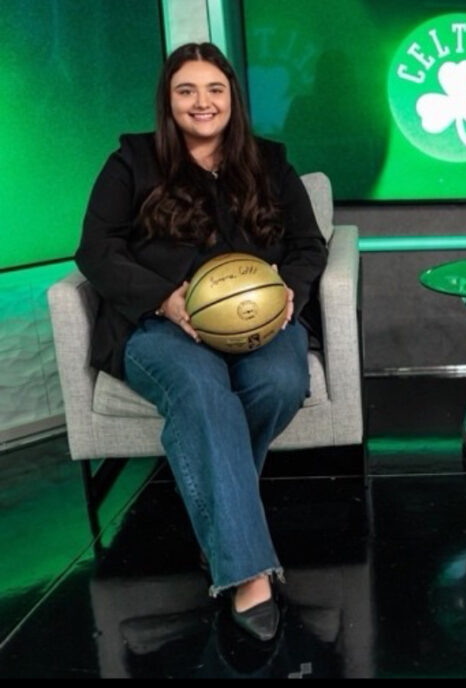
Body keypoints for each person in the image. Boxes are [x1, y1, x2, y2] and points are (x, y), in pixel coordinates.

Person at [75, 42, 328, 642]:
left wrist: (286, 291)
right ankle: (248, 574)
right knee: (200, 388)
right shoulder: (132, 160)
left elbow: (309, 245)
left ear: (232, 98)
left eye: (214, 89)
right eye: (186, 90)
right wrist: (164, 298)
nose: (201, 102)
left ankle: (222, 526)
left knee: (282, 381)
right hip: (159, 324)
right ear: (169, 99)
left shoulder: (270, 163)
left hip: (258, 320)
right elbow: (96, 249)